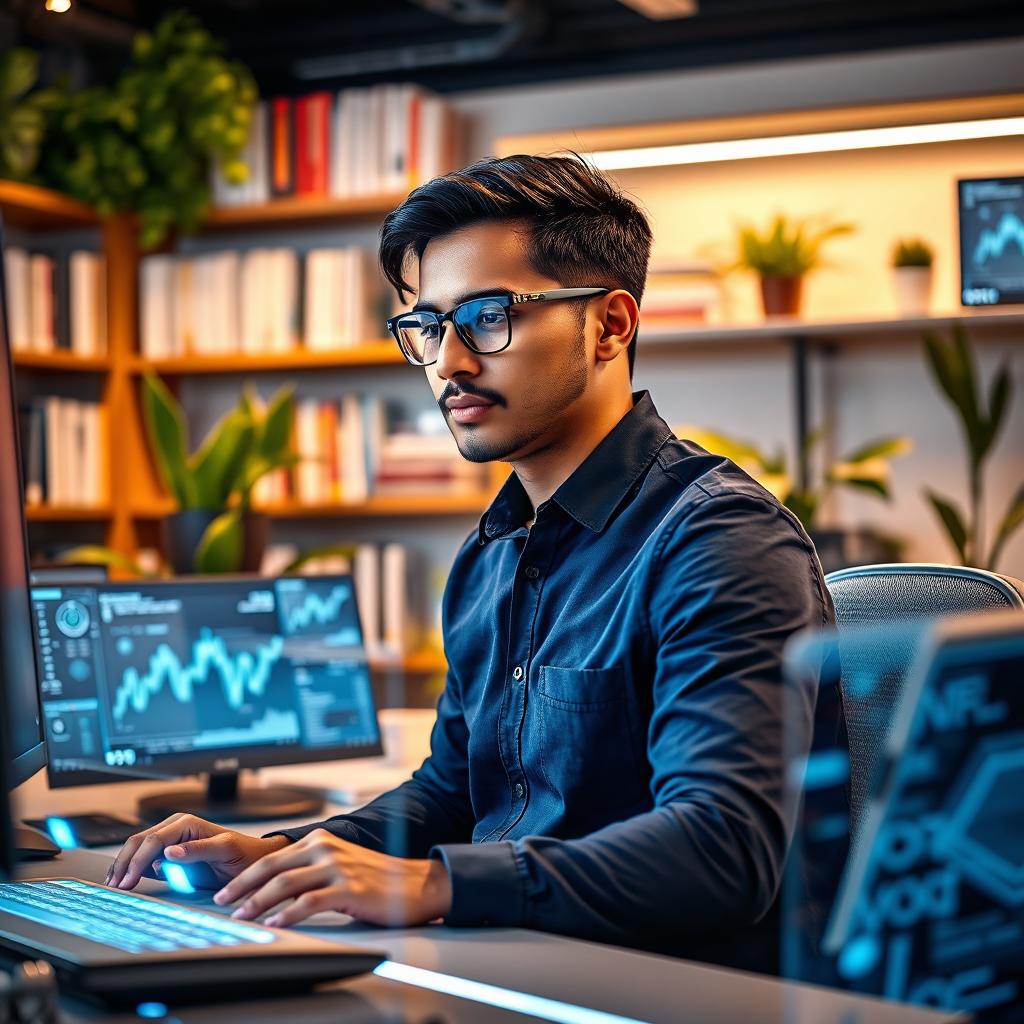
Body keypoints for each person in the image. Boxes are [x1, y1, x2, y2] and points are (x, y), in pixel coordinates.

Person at [107, 153, 833, 972]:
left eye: (489, 316)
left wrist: (436, 887)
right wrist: (286, 850)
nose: (449, 362)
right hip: (502, 960)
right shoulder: (492, 553)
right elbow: (455, 791)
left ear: (611, 325)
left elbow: (722, 850)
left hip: (661, 986)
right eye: (427, 327)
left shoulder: (721, 541)